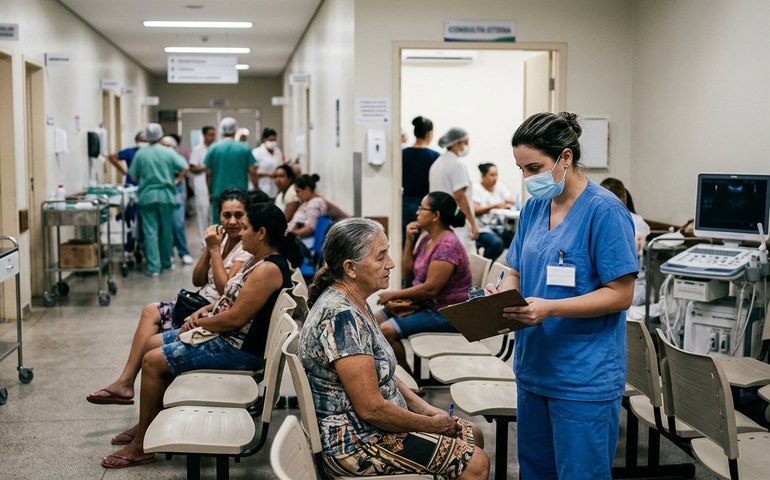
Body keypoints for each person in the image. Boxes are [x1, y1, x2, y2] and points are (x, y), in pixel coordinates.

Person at [488, 112, 637, 479]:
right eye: (521, 169)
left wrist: (552, 308)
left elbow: (621, 294)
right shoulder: (535, 207)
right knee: (536, 471)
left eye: (534, 167)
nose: (527, 179)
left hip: (583, 377)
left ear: (565, 158)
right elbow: (518, 268)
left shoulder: (605, 211)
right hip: (535, 368)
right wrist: (503, 296)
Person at [100, 202, 303, 469]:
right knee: (151, 343)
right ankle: (146, 424)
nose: (239, 233)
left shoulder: (268, 269)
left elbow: (236, 318)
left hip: (237, 350)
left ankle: (140, 447)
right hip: (228, 336)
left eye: (244, 228)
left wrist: (204, 324)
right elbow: (231, 298)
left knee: (152, 361)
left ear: (262, 233)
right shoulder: (257, 261)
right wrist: (206, 310)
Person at [299, 217, 489, 479]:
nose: (390, 263)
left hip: (372, 426)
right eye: (380, 257)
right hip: (356, 443)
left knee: (473, 435)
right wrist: (431, 424)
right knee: (475, 463)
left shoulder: (356, 301)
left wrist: (425, 409)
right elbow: (372, 409)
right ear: (350, 268)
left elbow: (382, 373)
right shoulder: (341, 317)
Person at [86, 189, 254, 408]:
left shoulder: (246, 247)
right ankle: (126, 383)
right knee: (150, 310)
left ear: (247, 215)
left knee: (154, 329)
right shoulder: (219, 239)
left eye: (239, 215)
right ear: (218, 215)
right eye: (226, 215)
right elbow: (197, 279)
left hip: (210, 308)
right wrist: (209, 249)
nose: (232, 221)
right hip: (199, 298)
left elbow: (226, 291)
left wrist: (214, 251)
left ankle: (133, 388)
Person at [375, 192, 471, 370]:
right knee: (372, 320)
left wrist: (393, 294)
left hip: (445, 313)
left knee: (386, 330)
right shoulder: (427, 238)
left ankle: (408, 381)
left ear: (436, 215)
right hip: (424, 305)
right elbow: (408, 274)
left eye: (422, 208)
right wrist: (409, 241)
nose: (417, 212)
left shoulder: (448, 246)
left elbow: (430, 289)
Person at [128, 123, 188, 276]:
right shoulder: (168, 152)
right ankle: (166, 263)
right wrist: (177, 180)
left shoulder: (141, 154)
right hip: (166, 195)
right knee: (166, 230)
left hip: (147, 196)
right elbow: (185, 167)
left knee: (150, 231)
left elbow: (133, 176)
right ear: (161, 135)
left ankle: (154, 267)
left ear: (146, 137)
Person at [429, 127, 479, 251]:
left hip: (440, 222)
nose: (467, 147)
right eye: (466, 143)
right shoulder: (457, 164)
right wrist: (473, 224)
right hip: (457, 223)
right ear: (457, 143)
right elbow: (460, 196)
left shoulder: (437, 163)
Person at [204, 117, 258, 223]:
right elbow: (252, 171)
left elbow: (208, 173)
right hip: (240, 194)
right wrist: (256, 187)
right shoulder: (244, 148)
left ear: (221, 130)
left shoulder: (213, 148)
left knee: (219, 224)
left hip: (218, 192)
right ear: (235, 130)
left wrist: (209, 192)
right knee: (240, 223)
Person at [402, 115, 440, 246]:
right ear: (430, 134)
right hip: (425, 207)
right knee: (421, 245)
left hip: (404, 204)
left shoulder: (403, 153)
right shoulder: (435, 157)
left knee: (405, 242)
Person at [472, 162, 516, 261]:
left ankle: (515, 271)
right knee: (497, 244)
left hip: (499, 228)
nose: (495, 178)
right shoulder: (476, 188)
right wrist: (494, 206)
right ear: (483, 176)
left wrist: (502, 204)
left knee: (518, 240)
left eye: (496, 175)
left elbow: (512, 201)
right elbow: (476, 210)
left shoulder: (499, 186)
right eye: (491, 175)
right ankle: (485, 269)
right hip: (482, 229)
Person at [161, 135, 192, 265]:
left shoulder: (177, 158)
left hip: (177, 194)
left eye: (169, 146)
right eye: (164, 146)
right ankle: (168, 254)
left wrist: (178, 179)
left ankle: (183, 252)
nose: (166, 149)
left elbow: (185, 168)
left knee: (178, 225)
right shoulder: (159, 159)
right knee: (165, 227)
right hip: (163, 195)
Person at [188, 126, 216, 248]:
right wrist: (206, 168)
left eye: (214, 134)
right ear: (204, 135)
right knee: (203, 212)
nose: (212, 137)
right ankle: (203, 241)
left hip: (214, 183)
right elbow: (192, 167)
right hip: (201, 184)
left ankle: (215, 239)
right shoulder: (197, 149)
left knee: (213, 213)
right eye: (210, 134)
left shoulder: (215, 148)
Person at [287, 173, 327, 250]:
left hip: (305, 244)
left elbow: (310, 228)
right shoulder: (307, 202)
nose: (297, 195)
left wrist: (290, 234)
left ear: (307, 189)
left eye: (298, 191)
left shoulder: (315, 203)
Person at [252, 127, 284, 199]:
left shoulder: (278, 152)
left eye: (274, 140)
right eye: (270, 140)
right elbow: (252, 172)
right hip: (262, 187)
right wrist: (268, 174)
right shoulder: (257, 152)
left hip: (276, 188)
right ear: (264, 140)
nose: (273, 142)